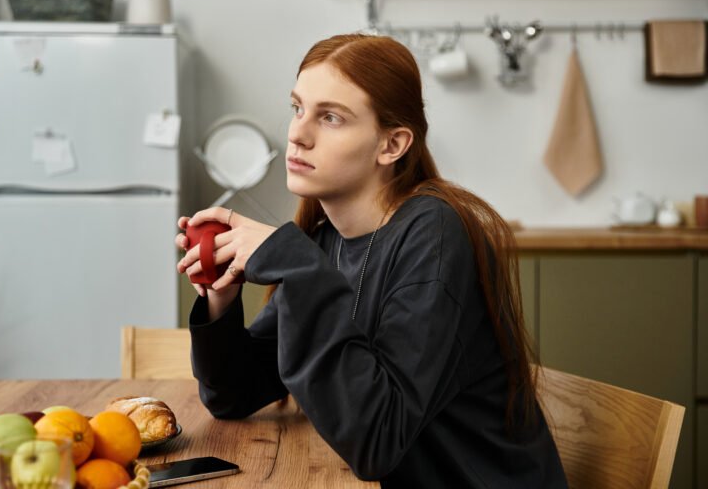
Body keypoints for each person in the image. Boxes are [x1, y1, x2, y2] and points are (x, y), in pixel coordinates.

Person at [175, 33, 568, 488]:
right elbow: (235, 392)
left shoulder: (436, 235)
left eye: (331, 117)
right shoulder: (328, 240)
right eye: (297, 108)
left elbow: (375, 441)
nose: (297, 134)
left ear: (392, 144)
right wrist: (221, 299)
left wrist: (295, 265)